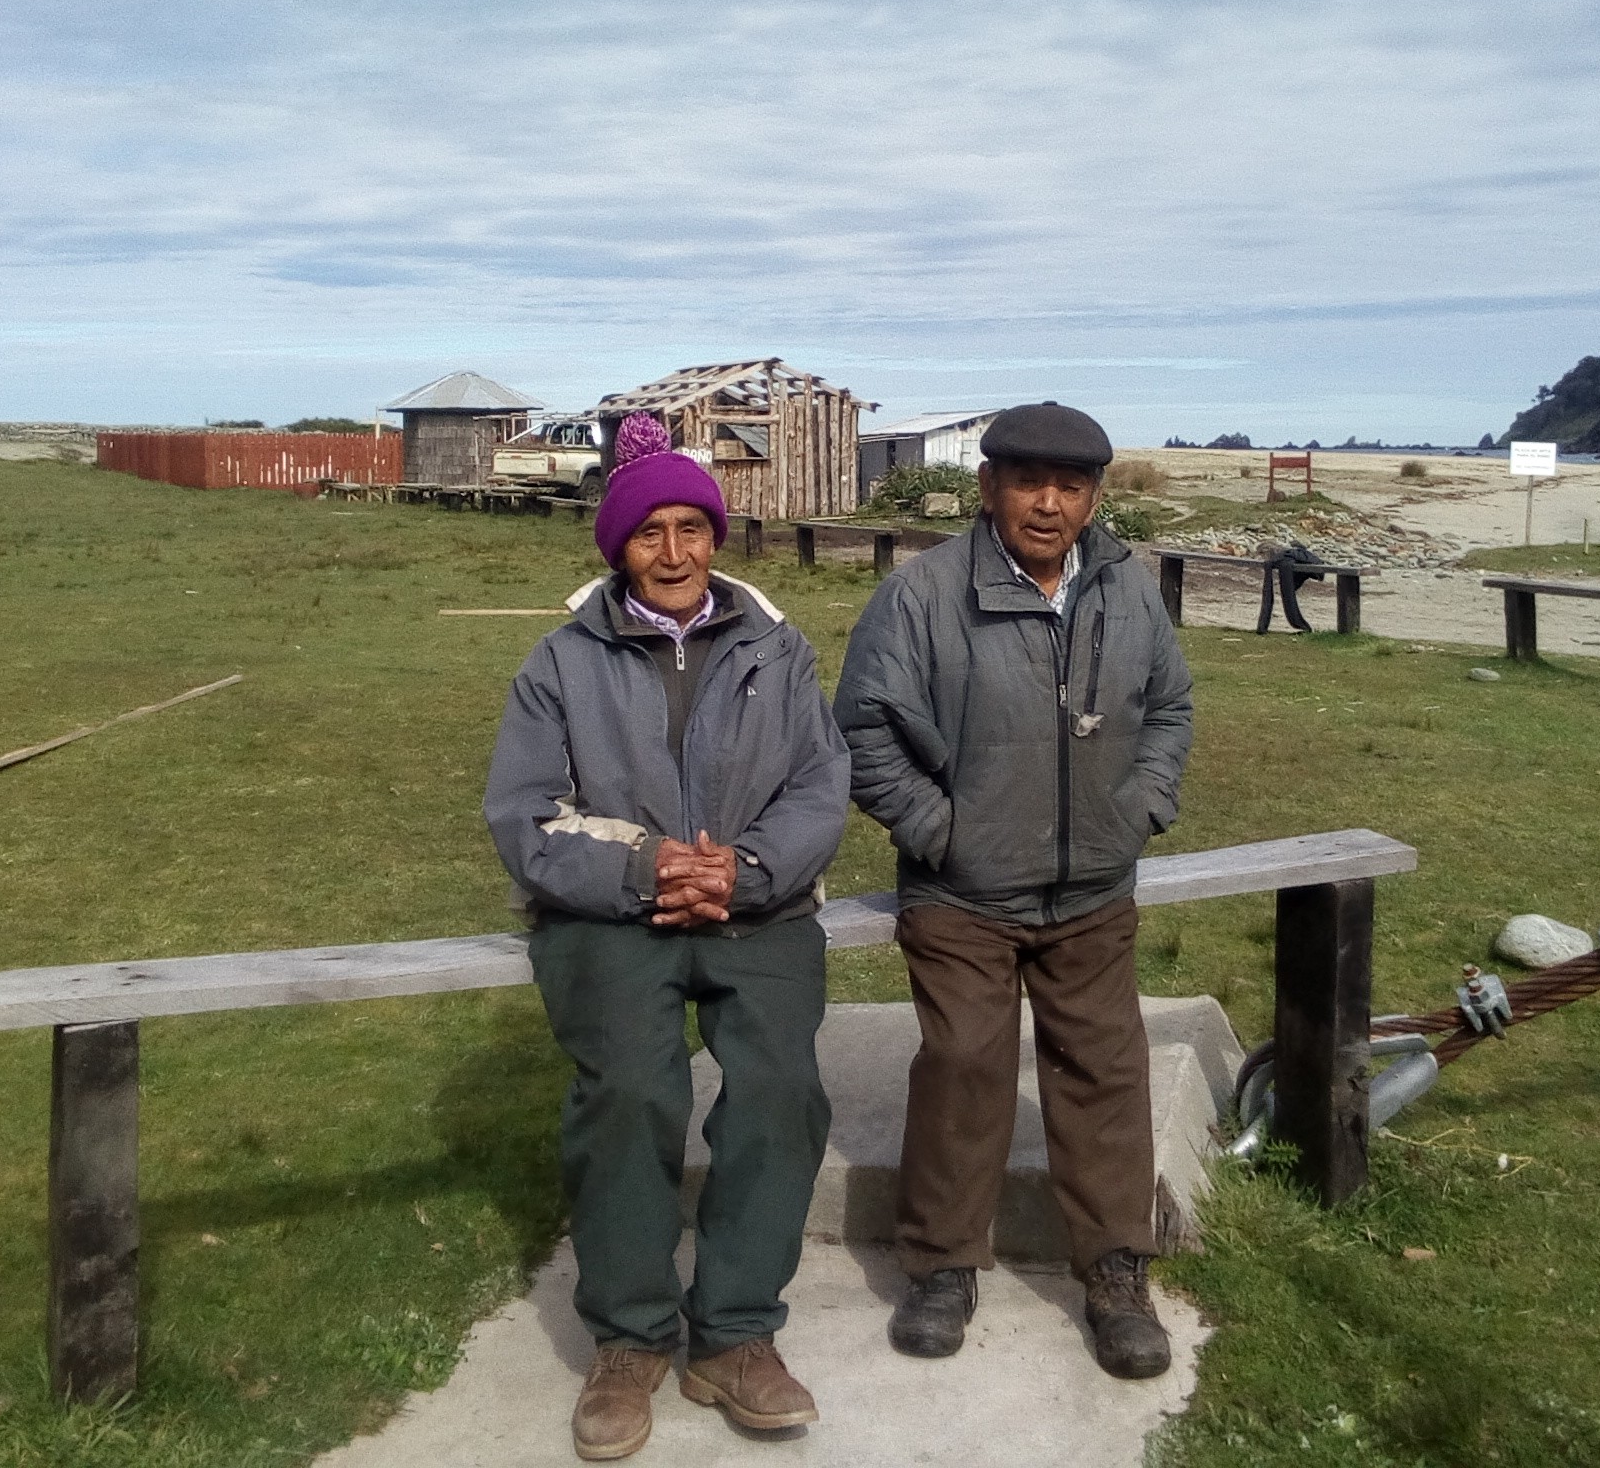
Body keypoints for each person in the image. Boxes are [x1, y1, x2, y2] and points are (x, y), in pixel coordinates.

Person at [484, 412, 849, 1460]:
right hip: (612, 915)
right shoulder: (560, 661)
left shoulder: (779, 650)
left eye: (694, 527)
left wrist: (745, 871)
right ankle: (632, 1338)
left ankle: (734, 1335)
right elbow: (523, 814)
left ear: (717, 538)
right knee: (631, 1094)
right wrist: (648, 870)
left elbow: (821, 784)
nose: (676, 550)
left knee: (780, 1090)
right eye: (652, 532)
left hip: (759, 908)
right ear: (618, 547)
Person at [833, 400, 1194, 1378]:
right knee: (964, 1066)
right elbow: (863, 727)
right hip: (963, 897)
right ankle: (943, 1267)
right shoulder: (922, 596)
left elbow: (1168, 707)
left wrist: (1140, 809)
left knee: (1104, 1072)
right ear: (987, 488)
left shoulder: (1128, 591)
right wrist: (938, 832)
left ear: (1091, 498)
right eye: (1025, 482)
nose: (1046, 503)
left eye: (1068, 486)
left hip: (1090, 890)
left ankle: (1116, 1269)